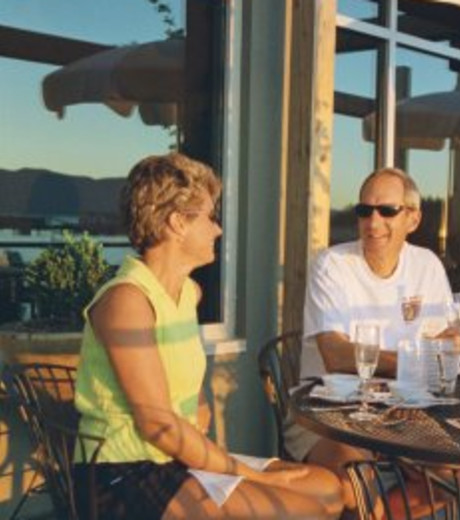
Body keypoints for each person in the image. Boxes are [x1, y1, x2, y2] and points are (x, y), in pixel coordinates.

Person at [72, 153, 343, 520]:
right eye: (209, 217)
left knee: (328, 490)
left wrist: (207, 439)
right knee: (303, 510)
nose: (217, 229)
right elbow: (159, 426)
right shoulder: (127, 301)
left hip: (180, 458)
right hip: (128, 472)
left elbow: (189, 399)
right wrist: (244, 474)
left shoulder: (188, 294)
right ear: (176, 223)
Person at [285, 167, 460, 516]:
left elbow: (445, 342)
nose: (373, 221)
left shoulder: (426, 265)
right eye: (364, 210)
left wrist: (451, 345)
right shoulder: (332, 264)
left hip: (402, 411)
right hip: (327, 412)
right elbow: (336, 355)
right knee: (359, 480)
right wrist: (416, 361)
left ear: (412, 219)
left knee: (451, 475)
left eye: (387, 211)